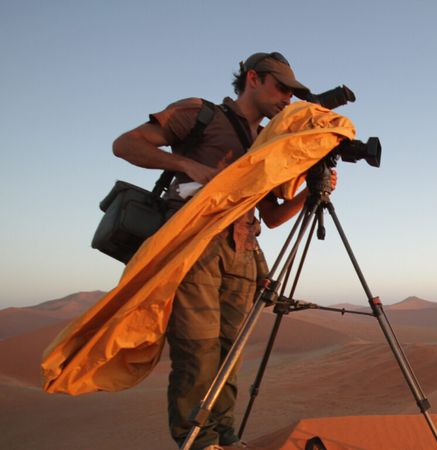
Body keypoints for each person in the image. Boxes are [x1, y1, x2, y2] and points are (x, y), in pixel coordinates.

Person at [112, 52, 328, 450]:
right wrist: (187, 166)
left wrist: (313, 194)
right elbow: (125, 144)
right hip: (195, 246)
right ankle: (197, 442)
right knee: (198, 353)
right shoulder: (200, 114)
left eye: (292, 92)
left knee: (230, 357)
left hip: (243, 253)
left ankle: (225, 439)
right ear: (253, 79)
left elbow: (274, 216)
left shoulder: (267, 142)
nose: (287, 98)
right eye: (281, 87)